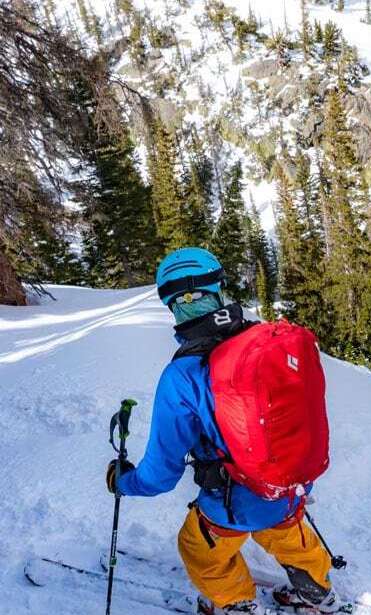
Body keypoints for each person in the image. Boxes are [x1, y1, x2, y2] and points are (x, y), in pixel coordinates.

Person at [105, 247, 342, 615]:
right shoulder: (267, 340)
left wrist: (124, 482)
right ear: (219, 288)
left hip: (232, 501)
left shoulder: (182, 376)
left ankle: (235, 602)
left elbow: (161, 475)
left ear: (171, 306)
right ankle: (316, 590)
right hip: (291, 483)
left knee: (198, 548)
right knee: (284, 530)